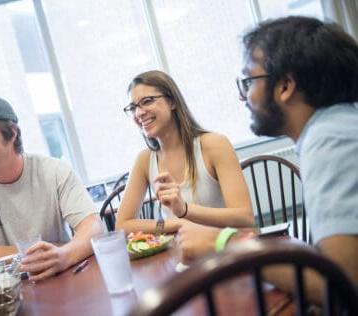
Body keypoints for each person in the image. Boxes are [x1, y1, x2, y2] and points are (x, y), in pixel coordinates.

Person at [177, 16, 358, 302]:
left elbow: (342, 288)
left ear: (285, 85)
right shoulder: (342, 125)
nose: (243, 97)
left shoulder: (329, 139)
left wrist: (225, 244)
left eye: (248, 81)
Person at [0, 95, 103, 282]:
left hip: (63, 275)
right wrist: (54, 248)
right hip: (7, 291)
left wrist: (63, 255)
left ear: (12, 133)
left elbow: (93, 227)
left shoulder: (54, 171)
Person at [115, 70, 253, 235]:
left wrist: (185, 210)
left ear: (172, 101)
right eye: (133, 107)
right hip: (185, 253)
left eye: (147, 101)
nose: (139, 113)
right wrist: (175, 224)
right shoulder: (145, 160)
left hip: (227, 250)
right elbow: (122, 225)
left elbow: (245, 217)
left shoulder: (214, 144)